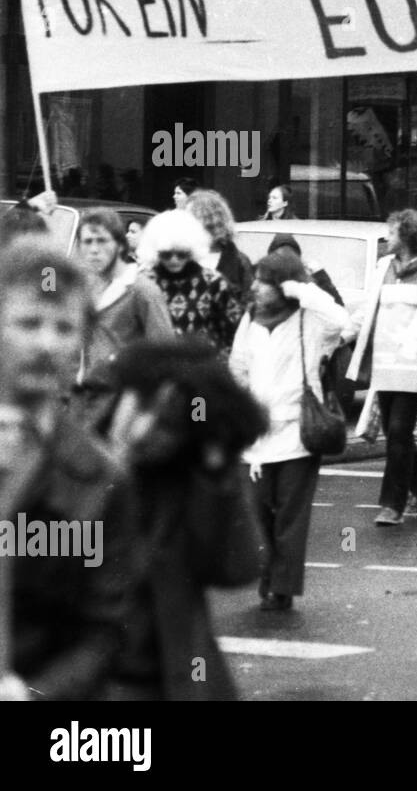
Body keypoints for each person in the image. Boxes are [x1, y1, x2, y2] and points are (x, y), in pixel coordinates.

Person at [1, 238, 135, 701]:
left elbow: (105, 629)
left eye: (64, 327)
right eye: (28, 322)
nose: (46, 343)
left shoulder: (99, 478)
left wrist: (33, 694)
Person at [101, 339, 269, 698]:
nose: (145, 431)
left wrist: (217, 469)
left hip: (169, 683)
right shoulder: (70, 467)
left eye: (167, 426)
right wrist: (115, 464)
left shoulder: (186, 487)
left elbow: (237, 568)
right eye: (143, 407)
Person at [230, 251, 349, 610]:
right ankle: (267, 575)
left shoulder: (310, 320)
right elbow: (239, 364)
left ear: (283, 285)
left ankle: (281, 586)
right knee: (257, 509)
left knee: (290, 515)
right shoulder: (250, 319)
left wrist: (303, 290)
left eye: (263, 280)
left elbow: (342, 319)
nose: (254, 286)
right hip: (257, 435)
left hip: (298, 432)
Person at [345, 209, 417, 525]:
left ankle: (392, 505)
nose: (386, 238)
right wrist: (344, 333)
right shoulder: (383, 268)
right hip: (386, 365)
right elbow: (368, 310)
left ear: (406, 237)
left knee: (398, 431)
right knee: (399, 433)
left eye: (391, 233)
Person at [75, 208, 174, 400]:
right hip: (87, 399)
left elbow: (164, 354)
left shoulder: (142, 290)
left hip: (127, 400)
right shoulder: (83, 289)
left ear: (120, 246)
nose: (94, 249)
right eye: (87, 242)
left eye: (102, 241)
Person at [136, 209, 243, 354]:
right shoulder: (144, 283)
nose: (174, 260)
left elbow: (234, 332)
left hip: (204, 369)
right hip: (156, 369)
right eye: (166, 254)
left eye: (182, 253)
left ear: (192, 251)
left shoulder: (214, 283)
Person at [184, 189, 255, 308]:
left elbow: (249, 304)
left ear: (210, 221)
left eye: (190, 218)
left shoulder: (239, 261)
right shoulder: (178, 257)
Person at [266, 233, 345, 307]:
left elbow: (338, 307)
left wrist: (320, 275)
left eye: (290, 255)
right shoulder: (264, 280)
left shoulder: (308, 284)